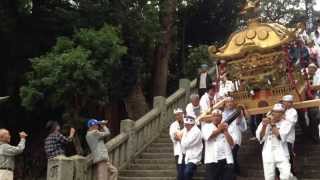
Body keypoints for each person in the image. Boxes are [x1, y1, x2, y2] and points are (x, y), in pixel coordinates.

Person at [256, 103, 294, 180]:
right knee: (269, 177)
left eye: (278, 112)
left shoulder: (286, 123)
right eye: (274, 111)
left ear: (282, 113)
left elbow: (280, 137)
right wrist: (264, 126)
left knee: (286, 176)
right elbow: (260, 137)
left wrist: (272, 123)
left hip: (281, 151)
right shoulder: (265, 122)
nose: (275, 113)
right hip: (268, 152)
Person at [202, 109, 235, 180]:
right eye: (214, 116)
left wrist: (226, 131)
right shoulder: (206, 127)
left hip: (226, 159)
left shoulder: (228, 126)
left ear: (221, 117)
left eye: (218, 116)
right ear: (211, 117)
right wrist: (219, 130)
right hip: (212, 160)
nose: (216, 117)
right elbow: (208, 137)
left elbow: (232, 143)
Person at [222, 96, 247, 175]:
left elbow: (243, 128)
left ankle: (234, 172)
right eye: (228, 102)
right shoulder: (221, 114)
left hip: (236, 137)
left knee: (233, 154)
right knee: (230, 156)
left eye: (231, 101)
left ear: (233, 103)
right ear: (225, 104)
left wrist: (239, 118)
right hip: (225, 137)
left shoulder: (238, 112)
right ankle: (236, 171)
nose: (229, 103)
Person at [180, 116, 203, 180]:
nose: (186, 126)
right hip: (186, 155)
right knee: (182, 175)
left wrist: (181, 139)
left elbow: (185, 144)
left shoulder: (196, 132)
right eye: (185, 125)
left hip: (194, 157)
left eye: (187, 125)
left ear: (192, 124)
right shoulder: (186, 130)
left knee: (187, 172)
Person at [282, 95, 298, 176]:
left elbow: (292, 123)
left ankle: (292, 170)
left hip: (289, 136)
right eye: (284, 102)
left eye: (288, 103)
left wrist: (284, 117)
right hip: (280, 136)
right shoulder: (281, 110)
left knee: (289, 153)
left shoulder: (293, 111)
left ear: (291, 103)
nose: (286, 104)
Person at [169, 108, 184, 180]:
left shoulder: (187, 123)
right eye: (176, 115)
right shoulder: (173, 125)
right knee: (180, 170)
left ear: (182, 114)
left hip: (188, 151)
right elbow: (174, 138)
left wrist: (179, 136)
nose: (178, 116)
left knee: (187, 171)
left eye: (179, 114)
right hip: (178, 151)